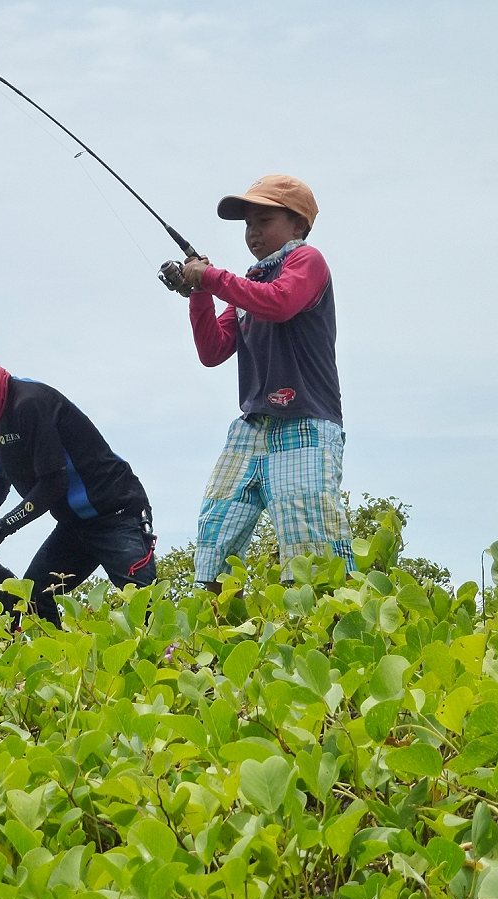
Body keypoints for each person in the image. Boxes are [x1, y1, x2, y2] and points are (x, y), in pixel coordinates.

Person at [180, 174, 355, 591]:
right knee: (215, 531)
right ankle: (215, 631)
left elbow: (281, 303)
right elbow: (213, 350)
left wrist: (212, 278)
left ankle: (326, 643)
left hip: (306, 424)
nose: (253, 232)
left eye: (263, 221)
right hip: (254, 425)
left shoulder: (307, 262)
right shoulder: (251, 281)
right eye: (248, 224)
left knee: (313, 552)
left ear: (298, 225)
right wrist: (199, 293)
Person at [0, 342, 156, 623]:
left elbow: (53, 484)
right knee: (33, 600)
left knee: (143, 609)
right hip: (76, 527)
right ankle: (62, 662)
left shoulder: (29, 403)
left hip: (118, 515)